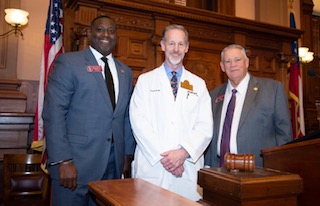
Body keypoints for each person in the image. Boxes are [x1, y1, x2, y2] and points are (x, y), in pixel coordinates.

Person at [42, 15, 135, 205]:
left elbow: (125, 116)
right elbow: (54, 113)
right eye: (100, 29)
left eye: (111, 31)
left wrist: (126, 155)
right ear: (90, 33)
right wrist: (63, 160)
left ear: (116, 36)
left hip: (112, 167)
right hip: (74, 166)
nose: (106, 35)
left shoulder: (125, 72)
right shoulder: (68, 63)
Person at [129, 24, 213, 201]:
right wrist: (167, 159)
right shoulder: (145, 81)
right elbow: (139, 122)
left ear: (187, 48)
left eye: (181, 44)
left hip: (187, 167)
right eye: (172, 43)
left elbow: (205, 127)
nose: (176, 49)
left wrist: (183, 154)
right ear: (163, 45)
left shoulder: (198, 84)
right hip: (153, 167)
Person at [204, 44, 293, 168]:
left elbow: (284, 133)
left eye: (237, 60)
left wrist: (279, 166)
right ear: (222, 67)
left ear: (246, 62)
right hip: (219, 169)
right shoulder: (214, 95)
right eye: (228, 61)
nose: (233, 65)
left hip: (258, 170)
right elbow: (208, 133)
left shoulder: (272, 89)